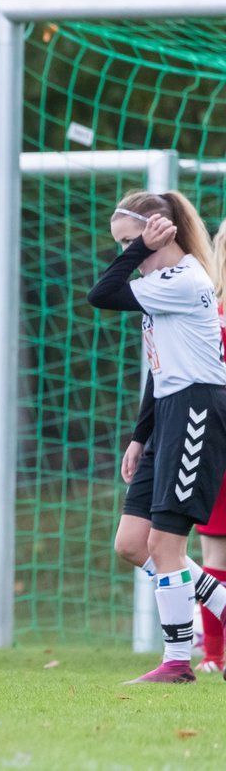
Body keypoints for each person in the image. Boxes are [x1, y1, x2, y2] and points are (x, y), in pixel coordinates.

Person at [87, 190, 226, 683]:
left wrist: (139, 250)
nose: (127, 254)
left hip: (196, 412)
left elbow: (100, 294)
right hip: (169, 410)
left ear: (156, 232)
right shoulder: (160, 284)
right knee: (131, 543)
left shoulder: (183, 280)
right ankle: (221, 605)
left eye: (129, 242)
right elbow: (159, 369)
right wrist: (138, 436)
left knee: (166, 546)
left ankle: (175, 663)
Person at [192, 219, 226, 674]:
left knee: (214, 555)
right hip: (216, 445)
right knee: (214, 554)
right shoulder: (208, 315)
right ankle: (213, 654)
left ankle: (214, 655)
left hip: (212, 444)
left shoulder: (207, 316)